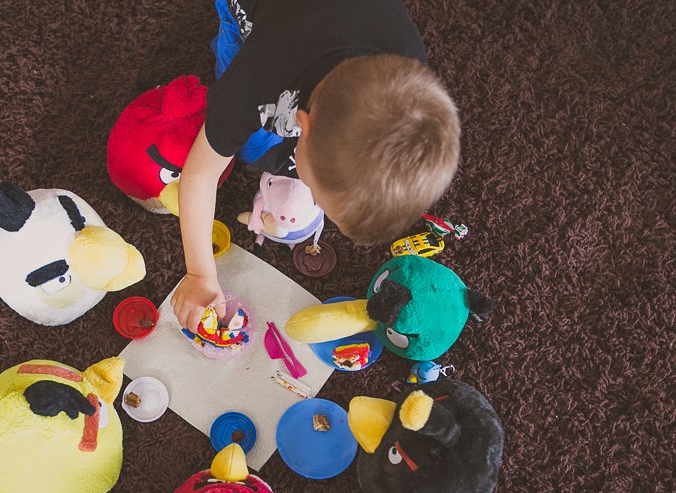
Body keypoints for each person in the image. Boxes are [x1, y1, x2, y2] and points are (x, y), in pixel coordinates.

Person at [171, 0, 461, 332]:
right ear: (301, 125)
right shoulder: (254, 84)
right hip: (260, 20)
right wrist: (200, 274)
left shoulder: (411, 74)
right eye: (316, 192)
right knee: (246, 145)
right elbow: (201, 173)